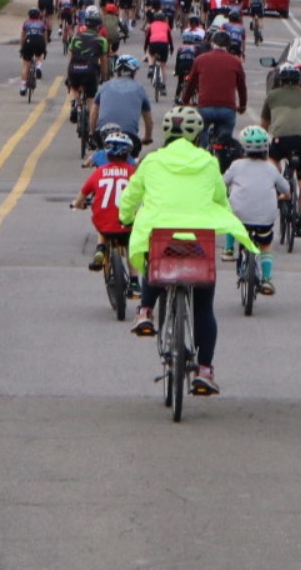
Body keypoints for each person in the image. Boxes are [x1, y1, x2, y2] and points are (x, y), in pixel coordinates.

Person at [118, 105, 256, 397]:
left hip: (163, 237)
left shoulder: (152, 161)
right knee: (204, 307)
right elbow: (220, 198)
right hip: (198, 241)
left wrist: (126, 218)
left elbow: (131, 197)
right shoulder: (207, 162)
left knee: (153, 259)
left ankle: (145, 309)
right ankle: (204, 370)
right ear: (197, 135)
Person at [221, 126, 289, 295]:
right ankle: (266, 279)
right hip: (265, 219)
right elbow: (286, 188)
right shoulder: (271, 168)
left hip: (240, 218)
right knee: (265, 245)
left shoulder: (236, 165)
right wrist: (283, 195)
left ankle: (229, 249)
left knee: (232, 217)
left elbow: (222, 183)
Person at [260, 62, 301, 224]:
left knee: (272, 161)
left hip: (282, 140)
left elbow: (264, 125)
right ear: (298, 81)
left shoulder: (272, 96)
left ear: (280, 80)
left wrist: (262, 144)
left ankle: (277, 184)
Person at [72, 130, 137, 275]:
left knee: (103, 225)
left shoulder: (99, 172)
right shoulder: (132, 172)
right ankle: (133, 282)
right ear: (128, 154)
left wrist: (77, 204)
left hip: (104, 223)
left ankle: (100, 249)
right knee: (129, 245)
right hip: (126, 224)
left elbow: (83, 194)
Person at [180, 28, 247, 145]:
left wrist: (185, 101)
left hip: (205, 107)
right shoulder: (235, 62)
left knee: (202, 134)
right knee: (225, 141)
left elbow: (191, 84)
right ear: (228, 45)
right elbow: (242, 86)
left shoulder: (200, 59)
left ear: (212, 43)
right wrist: (242, 105)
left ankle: (203, 151)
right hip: (227, 108)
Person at [89, 54, 154, 155]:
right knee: (133, 164)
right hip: (129, 136)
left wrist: (92, 133)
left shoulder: (105, 86)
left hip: (104, 134)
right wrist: (147, 137)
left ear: (117, 72)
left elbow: (94, 113)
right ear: (133, 73)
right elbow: (148, 119)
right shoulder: (140, 89)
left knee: (100, 158)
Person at [66, 5, 110, 110]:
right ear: (98, 26)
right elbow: (104, 62)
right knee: (91, 96)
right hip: (90, 70)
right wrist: (104, 78)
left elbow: (70, 59)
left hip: (75, 69)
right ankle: (90, 120)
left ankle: (75, 104)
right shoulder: (102, 41)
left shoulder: (75, 39)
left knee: (74, 87)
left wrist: (69, 76)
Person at [19, 7, 48, 95]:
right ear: (38, 15)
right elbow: (45, 36)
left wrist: (22, 47)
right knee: (39, 55)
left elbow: (22, 36)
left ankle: (23, 87)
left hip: (28, 41)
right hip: (39, 40)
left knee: (26, 65)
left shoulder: (26, 23)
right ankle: (39, 66)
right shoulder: (42, 23)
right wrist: (44, 47)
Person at [143, 8, 173, 94]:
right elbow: (170, 39)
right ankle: (163, 86)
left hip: (154, 44)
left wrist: (145, 48)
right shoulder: (166, 26)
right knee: (163, 66)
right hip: (164, 44)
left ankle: (151, 67)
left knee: (150, 53)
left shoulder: (151, 25)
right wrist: (171, 49)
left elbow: (147, 38)